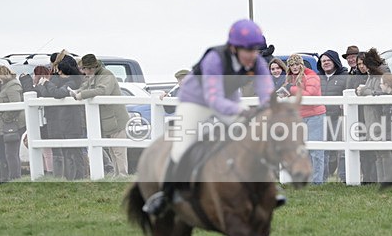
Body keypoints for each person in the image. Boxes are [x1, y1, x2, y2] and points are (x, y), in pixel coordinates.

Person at [142, 19, 274, 216]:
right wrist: (243, 111)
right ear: (233, 47)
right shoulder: (214, 58)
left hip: (228, 98)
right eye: (249, 50)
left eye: (256, 50)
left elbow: (266, 91)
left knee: (254, 135)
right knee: (183, 145)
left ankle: (263, 187)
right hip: (195, 100)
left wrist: (268, 108)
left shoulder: (257, 61)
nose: (253, 55)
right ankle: (166, 195)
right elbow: (214, 100)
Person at [71, 54, 130, 177]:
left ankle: (123, 176)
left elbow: (103, 91)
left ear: (90, 68)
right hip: (108, 119)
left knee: (119, 151)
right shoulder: (95, 75)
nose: (83, 72)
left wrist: (82, 95)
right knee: (112, 150)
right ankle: (117, 175)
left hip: (116, 118)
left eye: (84, 69)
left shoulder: (106, 75)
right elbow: (86, 86)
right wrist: (77, 91)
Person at [35, 55, 86, 180]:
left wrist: (45, 83)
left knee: (76, 152)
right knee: (69, 152)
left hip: (73, 122)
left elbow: (57, 93)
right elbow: (50, 93)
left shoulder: (72, 82)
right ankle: (72, 178)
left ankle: (80, 177)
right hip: (66, 121)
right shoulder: (67, 81)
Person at [286, 53, 327, 184]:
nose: (294, 67)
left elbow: (310, 94)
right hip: (299, 116)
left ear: (302, 64)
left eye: (297, 64)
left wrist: (290, 90)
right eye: (291, 65)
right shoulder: (291, 78)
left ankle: (317, 181)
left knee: (316, 150)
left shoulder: (311, 76)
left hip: (315, 115)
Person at [355, 48, 389, 183]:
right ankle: (381, 181)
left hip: (381, 116)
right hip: (371, 116)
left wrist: (365, 90)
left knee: (384, 152)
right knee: (378, 152)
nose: (362, 67)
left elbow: (387, 92)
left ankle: (387, 181)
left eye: (364, 63)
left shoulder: (383, 73)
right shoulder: (372, 74)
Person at [317, 50, 349, 182]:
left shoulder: (345, 76)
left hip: (339, 118)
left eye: (328, 60)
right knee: (322, 150)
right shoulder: (317, 77)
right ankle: (322, 178)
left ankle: (343, 178)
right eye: (323, 61)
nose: (325, 63)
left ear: (335, 61)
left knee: (341, 150)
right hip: (321, 118)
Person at [0, 65, 26, 181]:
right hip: (9, 123)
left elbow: (15, 105)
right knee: (10, 152)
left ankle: (15, 177)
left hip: (15, 123)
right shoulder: (4, 86)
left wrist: (5, 117)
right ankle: (14, 177)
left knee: (11, 153)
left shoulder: (12, 85)